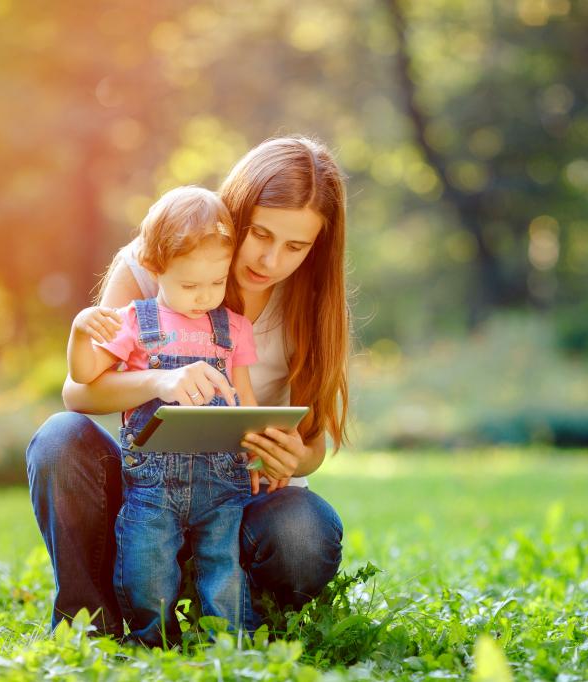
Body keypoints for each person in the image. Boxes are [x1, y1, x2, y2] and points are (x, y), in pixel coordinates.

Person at [26, 135, 349, 640]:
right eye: (260, 234)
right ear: (234, 217)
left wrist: (292, 457)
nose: (270, 260)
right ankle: (91, 619)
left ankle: (232, 610)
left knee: (305, 533)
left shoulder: (313, 300)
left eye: (295, 246)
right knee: (58, 439)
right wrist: (158, 379)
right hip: (147, 494)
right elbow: (81, 392)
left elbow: (314, 445)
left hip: (239, 500)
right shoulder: (156, 260)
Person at [67, 186, 276, 646]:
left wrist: (259, 451)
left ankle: (229, 644)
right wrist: (82, 330)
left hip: (222, 480)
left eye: (216, 282)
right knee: (147, 563)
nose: (204, 297)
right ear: (154, 268)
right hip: (153, 483)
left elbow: (244, 399)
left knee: (223, 565)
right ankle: (153, 644)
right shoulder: (134, 322)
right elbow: (82, 377)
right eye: (188, 285)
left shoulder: (231, 328)